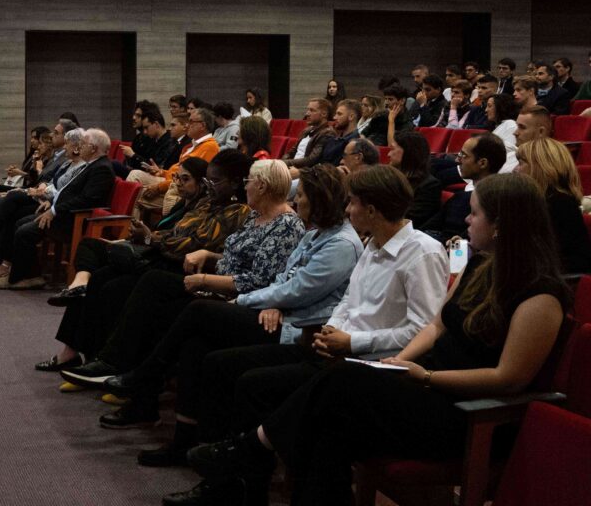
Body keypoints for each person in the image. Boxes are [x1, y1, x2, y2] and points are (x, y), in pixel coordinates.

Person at [178, 173, 569, 506]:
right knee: (330, 425)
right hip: (424, 386)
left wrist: (424, 376)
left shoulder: (540, 294)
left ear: (501, 224)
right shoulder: (480, 266)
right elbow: (435, 326)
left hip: (465, 411)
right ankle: (247, 461)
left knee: (343, 384)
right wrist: (398, 365)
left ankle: (248, 449)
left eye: (475, 212)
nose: (466, 220)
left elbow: (508, 379)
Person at [165, 166, 448, 500]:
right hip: (335, 349)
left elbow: (422, 329)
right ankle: (234, 483)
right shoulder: (373, 243)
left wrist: (350, 341)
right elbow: (348, 300)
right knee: (223, 364)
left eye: (354, 203)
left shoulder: (422, 252)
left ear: (372, 210)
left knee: (255, 384)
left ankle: (238, 467)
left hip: (371, 366)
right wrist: (333, 330)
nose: (348, 210)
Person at [108, 165, 362, 466]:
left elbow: (298, 290)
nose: (297, 202)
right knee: (196, 344)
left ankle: (145, 376)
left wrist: (244, 300)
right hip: (275, 313)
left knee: (197, 312)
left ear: (318, 201)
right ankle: (185, 443)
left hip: (297, 328)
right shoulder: (316, 233)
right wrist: (272, 302)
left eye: (303, 196)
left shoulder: (341, 244)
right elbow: (285, 280)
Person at [61, 159, 304, 398]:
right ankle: (114, 370)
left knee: (154, 287)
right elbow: (231, 257)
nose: (245, 186)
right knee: (124, 282)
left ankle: (121, 369)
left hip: (232, 295)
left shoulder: (285, 225)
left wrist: (205, 279)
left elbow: (258, 281)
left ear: (262, 186)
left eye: (248, 181)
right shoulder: (255, 217)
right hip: (211, 278)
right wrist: (209, 256)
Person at [40, 154, 249, 373]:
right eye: (207, 181)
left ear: (235, 183)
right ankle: (82, 353)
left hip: (180, 266)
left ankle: (109, 360)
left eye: (214, 182)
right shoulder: (207, 204)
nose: (209, 187)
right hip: (163, 256)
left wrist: (152, 238)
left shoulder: (237, 211)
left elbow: (193, 244)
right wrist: (153, 237)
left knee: (113, 286)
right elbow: (176, 232)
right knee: (100, 276)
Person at [0, 128, 115, 290]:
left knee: (24, 231)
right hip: (62, 212)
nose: (80, 147)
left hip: (73, 219)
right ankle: (29, 273)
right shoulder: (91, 164)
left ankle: (26, 277)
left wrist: (55, 210)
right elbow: (69, 191)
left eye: (83, 144)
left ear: (93, 148)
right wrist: (52, 203)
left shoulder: (101, 168)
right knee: (20, 222)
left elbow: (86, 200)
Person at [516, 138, 591, 273]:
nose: (515, 170)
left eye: (521, 163)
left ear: (540, 167)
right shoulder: (541, 201)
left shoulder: (559, 205)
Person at [421, 134, 506, 244]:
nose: (457, 160)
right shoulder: (460, 197)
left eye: (464, 155)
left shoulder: (493, 203)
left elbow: (459, 247)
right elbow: (424, 230)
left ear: (483, 163)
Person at [388, 130, 441, 228]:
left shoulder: (429, 186)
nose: (388, 154)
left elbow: (411, 221)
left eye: (392, 149)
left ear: (408, 152)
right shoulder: (392, 179)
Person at [283, 99, 335, 170]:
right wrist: (282, 163)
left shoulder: (327, 133)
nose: (307, 114)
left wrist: (284, 163)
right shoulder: (306, 130)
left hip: (304, 173)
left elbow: (311, 160)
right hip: (291, 168)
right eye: (308, 110)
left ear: (324, 114)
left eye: (312, 110)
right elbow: (291, 152)